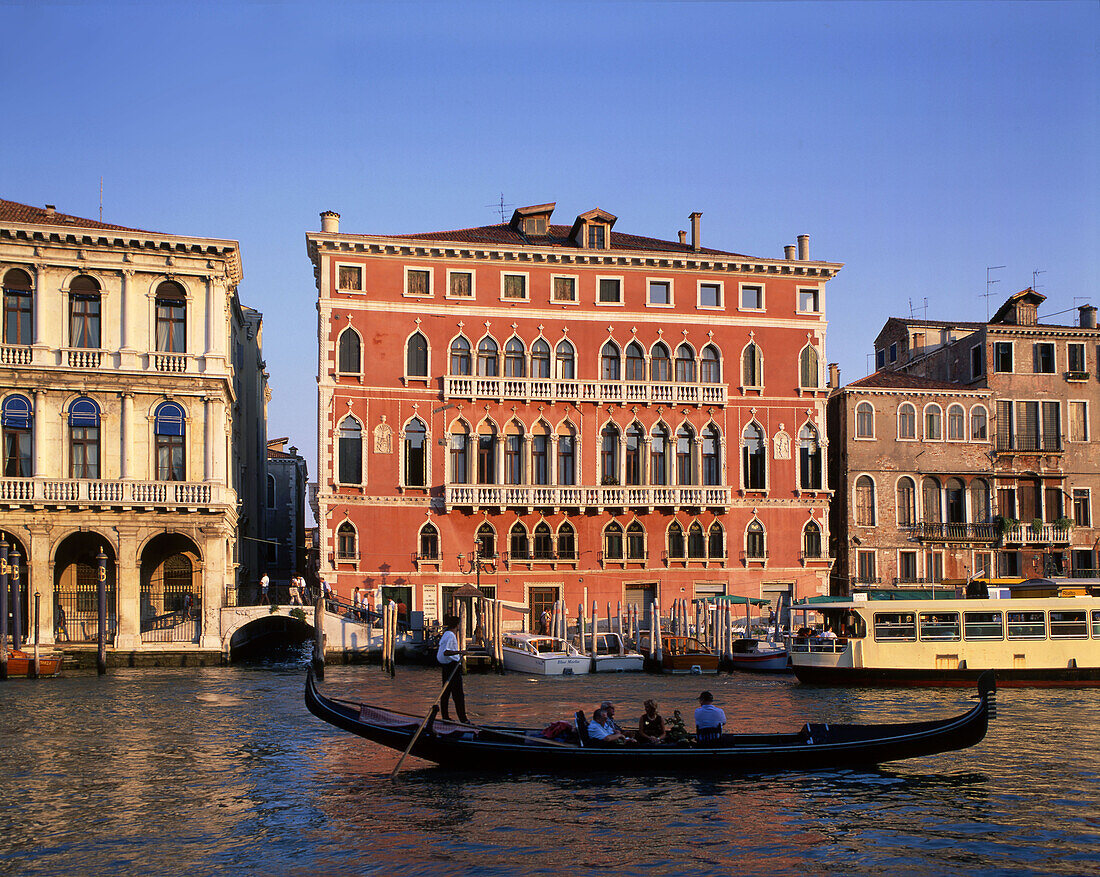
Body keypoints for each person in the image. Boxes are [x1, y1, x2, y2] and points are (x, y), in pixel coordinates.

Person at [436, 614, 469, 724]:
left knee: (446, 692)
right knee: (458, 694)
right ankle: (463, 720)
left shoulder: (446, 634)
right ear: (457, 625)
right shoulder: (450, 635)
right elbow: (446, 652)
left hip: (447, 666)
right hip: (452, 666)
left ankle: (445, 717)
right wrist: (460, 652)